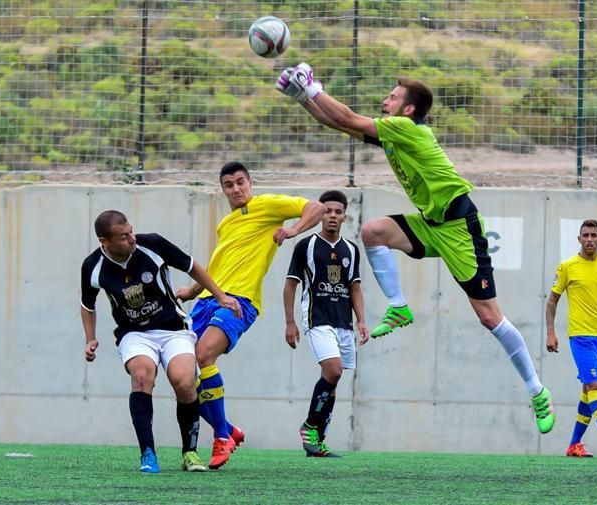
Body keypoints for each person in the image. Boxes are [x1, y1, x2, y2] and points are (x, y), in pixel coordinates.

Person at [275, 64, 556, 434]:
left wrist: (312, 87)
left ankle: (537, 390)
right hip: (432, 222)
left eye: (392, 97)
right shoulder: (396, 130)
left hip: (460, 228)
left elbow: (347, 116)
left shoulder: (406, 129)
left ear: (408, 109)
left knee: (490, 317)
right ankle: (398, 306)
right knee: (374, 231)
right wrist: (302, 98)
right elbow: (341, 124)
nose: (384, 101)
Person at [176, 161, 326, 468]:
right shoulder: (226, 224)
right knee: (183, 379)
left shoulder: (267, 206)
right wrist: (193, 291)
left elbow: (317, 207)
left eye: (240, 182)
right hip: (206, 301)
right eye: (228, 185)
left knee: (203, 356)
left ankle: (221, 437)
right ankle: (229, 430)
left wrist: (293, 229)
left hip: (239, 301)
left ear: (250, 183)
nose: (235, 189)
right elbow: (220, 264)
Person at [80, 210, 240, 473]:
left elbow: (193, 267)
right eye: (123, 236)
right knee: (142, 377)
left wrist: (220, 296)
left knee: (184, 381)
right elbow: (87, 305)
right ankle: (148, 454)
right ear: (103, 241)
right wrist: (90, 338)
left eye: (131, 231)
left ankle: (190, 453)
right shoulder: (92, 266)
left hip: (173, 329)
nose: (131, 238)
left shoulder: (152, 244)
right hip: (135, 334)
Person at [283, 190, 369, 457]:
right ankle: (309, 426)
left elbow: (354, 288)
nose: (332, 215)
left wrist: (362, 321)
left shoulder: (351, 250)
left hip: (343, 322)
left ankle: (317, 442)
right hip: (316, 319)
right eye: (327, 211)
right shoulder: (306, 246)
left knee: (331, 382)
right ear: (320, 214)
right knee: (333, 371)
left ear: (345, 216)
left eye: (338, 212)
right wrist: (290, 322)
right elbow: (290, 286)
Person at [545, 219, 597, 457]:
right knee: (595, 385)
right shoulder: (567, 267)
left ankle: (574, 444)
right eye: (586, 235)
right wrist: (551, 332)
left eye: (594, 235)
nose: (590, 239)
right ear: (579, 239)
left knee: (588, 391)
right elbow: (552, 301)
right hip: (580, 337)